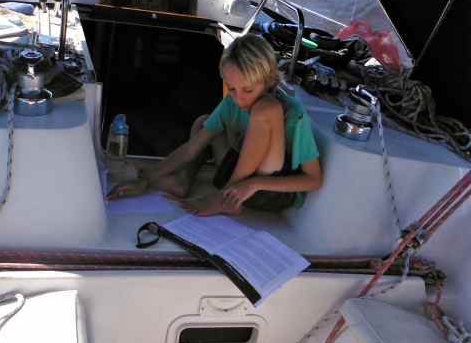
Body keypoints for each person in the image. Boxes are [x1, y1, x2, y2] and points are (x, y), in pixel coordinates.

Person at [106, 33, 322, 216]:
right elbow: (192, 148)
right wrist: (147, 179)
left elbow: (313, 180)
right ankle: (182, 182)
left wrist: (251, 184)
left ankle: (223, 197)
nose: (239, 99)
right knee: (204, 124)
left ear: (268, 80)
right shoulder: (232, 103)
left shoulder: (292, 113)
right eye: (231, 88)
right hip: (234, 180)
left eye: (248, 90)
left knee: (267, 108)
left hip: (268, 191)